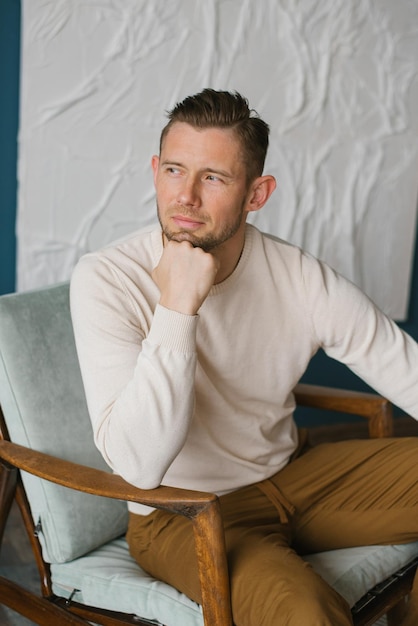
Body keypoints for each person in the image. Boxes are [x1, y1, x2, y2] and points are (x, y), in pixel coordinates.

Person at [70, 88, 418, 626]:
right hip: (183, 515)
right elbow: (139, 466)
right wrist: (178, 306)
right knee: (305, 614)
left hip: (295, 475)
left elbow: (405, 369)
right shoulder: (107, 278)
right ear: (155, 170)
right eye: (174, 171)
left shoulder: (297, 275)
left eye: (213, 178)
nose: (185, 196)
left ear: (257, 194)